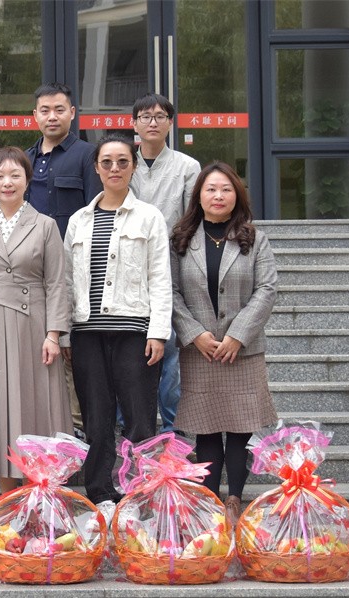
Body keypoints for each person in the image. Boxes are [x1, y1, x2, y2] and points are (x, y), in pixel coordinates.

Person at [62, 134, 171, 516]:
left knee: (139, 418)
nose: (114, 168)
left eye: (122, 161)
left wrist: (158, 332)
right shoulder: (79, 220)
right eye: (106, 162)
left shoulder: (149, 217)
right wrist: (64, 334)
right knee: (96, 419)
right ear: (96, 168)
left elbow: (160, 277)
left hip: (135, 333)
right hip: (87, 334)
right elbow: (67, 282)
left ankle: (140, 494)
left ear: (133, 167)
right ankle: (101, 494)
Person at [169, 161, 278, 525]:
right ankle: (211, 501)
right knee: (206, 428)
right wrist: (195, 334)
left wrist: (237, 335)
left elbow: (267, 289)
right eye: (211, 189)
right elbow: (169, 291)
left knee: (241, 426)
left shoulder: (254, 238)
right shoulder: (180, 239)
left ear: (237, 195)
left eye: (226, 189)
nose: (218, 195)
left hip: (242, 352)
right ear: (198, 195)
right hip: (200, 350)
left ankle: (234, 500)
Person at [0, 146, 71, 494]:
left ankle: (39, 493)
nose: (7, 182)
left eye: (15, 175)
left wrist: (54, 334)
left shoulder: (45, 226)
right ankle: (8, 496)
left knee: (36, 405)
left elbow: (57, 283)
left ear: (28, 179)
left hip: (34, 325)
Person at [25, 82, 102, 439]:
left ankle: (81, 430)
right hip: (30, 273)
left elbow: (96, 212)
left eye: (59, 109)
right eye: (45, 110)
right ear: (35, 115)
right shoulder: (25, 159)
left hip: (75, 272)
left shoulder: (88, 155)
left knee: (74, 357)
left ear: (72, 113)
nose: (52, 116)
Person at [129, 93, 201, 435]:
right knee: (129, 348)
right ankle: (130, 428)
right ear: (134, 123)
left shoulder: (187, 167)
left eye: (160, 116)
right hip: (128, 266)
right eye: (145, 116)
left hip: (171, 265)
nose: (153, 122)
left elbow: (192, 219)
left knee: (170, 349)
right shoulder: (124, 162)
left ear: (170, 123)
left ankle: (174, 429)